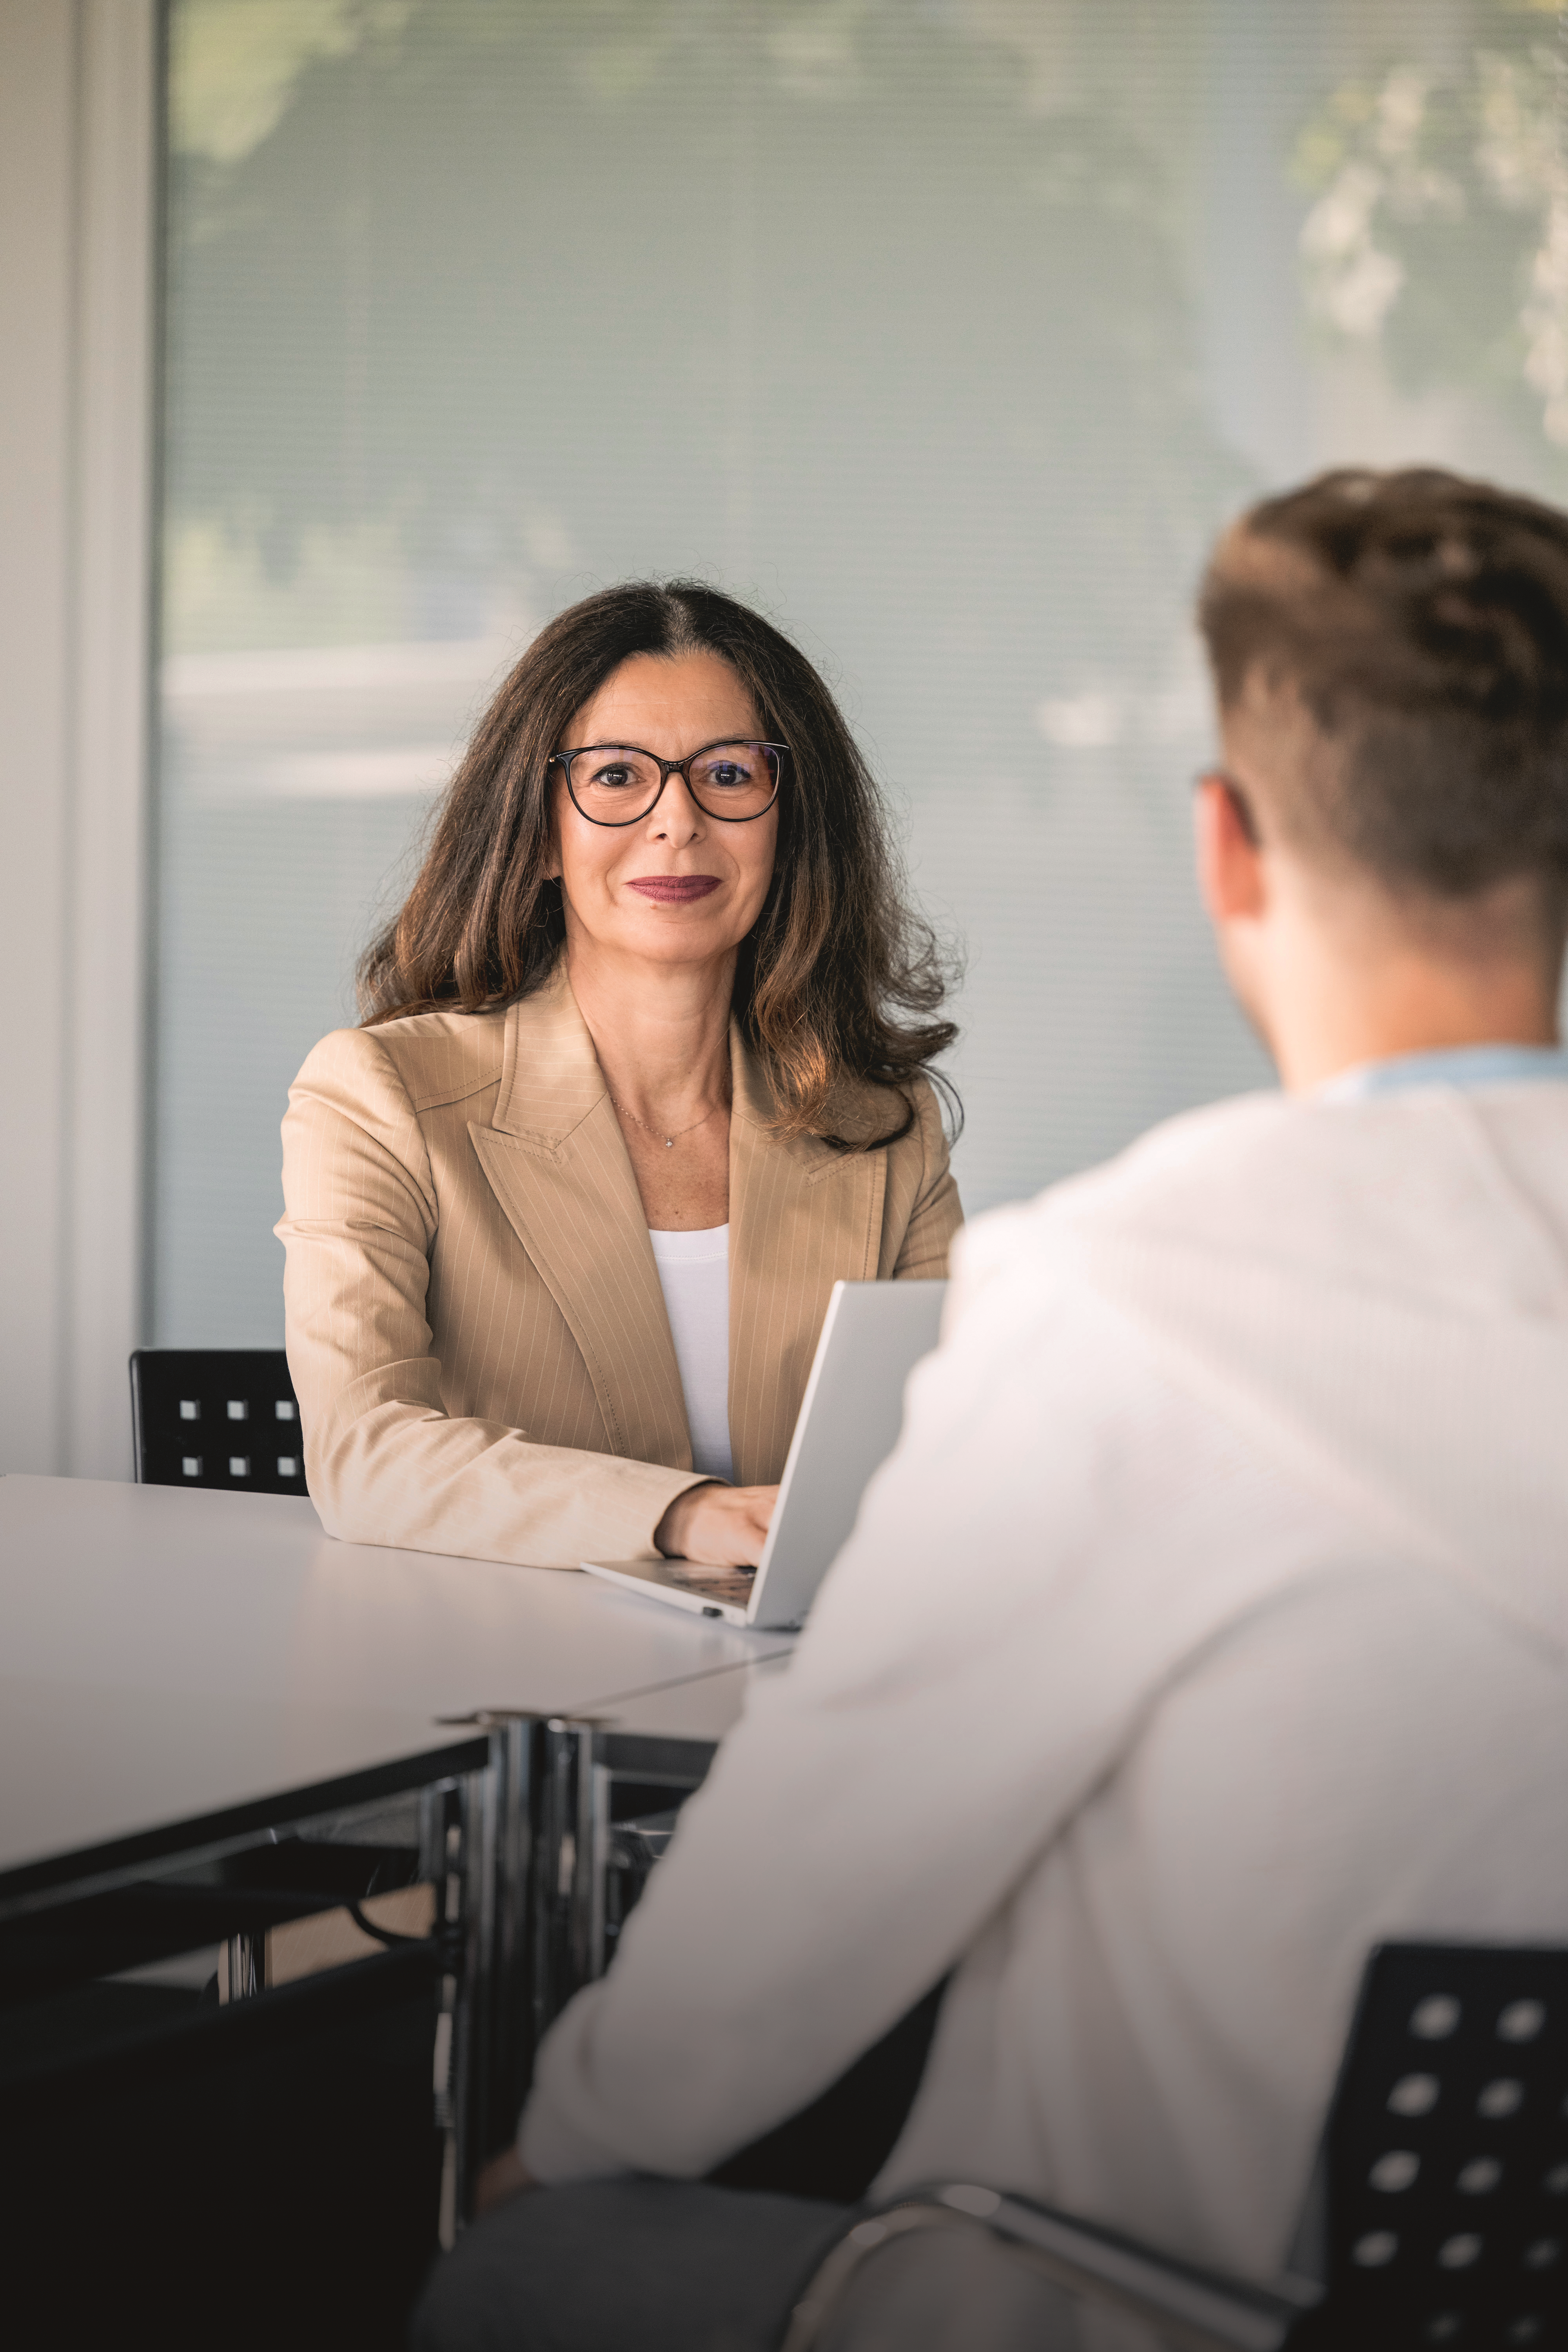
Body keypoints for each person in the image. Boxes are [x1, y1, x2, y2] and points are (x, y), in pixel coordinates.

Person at [412, 467, 1568, 2351]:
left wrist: (573, 2131)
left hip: (1143, 2301)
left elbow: (814, 1892)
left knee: (526, 2265)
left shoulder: (1124, 1289)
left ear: (1226, 849)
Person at [277, 584, 960, 1570]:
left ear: (789, 825)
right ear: (538, 828)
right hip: (502, 1675)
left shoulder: (881, 1126)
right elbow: (363, 1454)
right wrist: (687, 1517)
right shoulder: (378, 1097)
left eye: (728, 773)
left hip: (798, 1674)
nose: (676, 821)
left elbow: (957, 1443)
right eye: (615, 777)